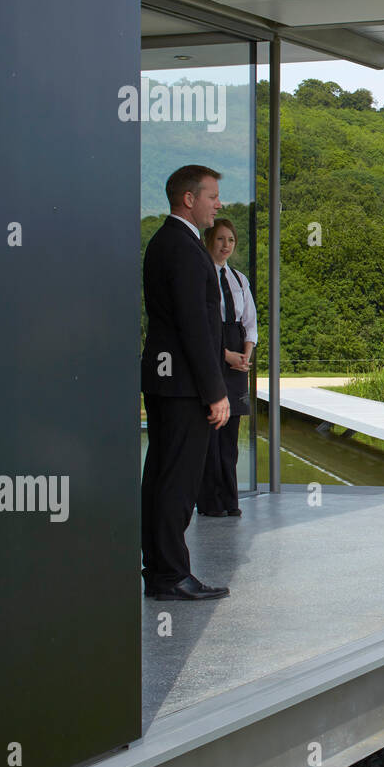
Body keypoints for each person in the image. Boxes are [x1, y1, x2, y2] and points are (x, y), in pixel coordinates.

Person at [140, 165, 231, 601]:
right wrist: (215, 392)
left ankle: (160, 570)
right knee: (176, 482)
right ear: (189, 199)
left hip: (168, 382)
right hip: (181, 386)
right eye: (212, 196)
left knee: (161, 477)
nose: (219, 204)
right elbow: (196, 327)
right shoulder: (181, 246)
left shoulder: (169, 242)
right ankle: (171, 575)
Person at [197, 217, 257, 517]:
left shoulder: (239, 279)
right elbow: (200, 327)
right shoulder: (202, 275)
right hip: (213, 350)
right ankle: (209, 501)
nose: (225, 245)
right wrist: (225, 355)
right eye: (220, 239)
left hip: (236, 356)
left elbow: (250, 323)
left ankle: (229, 500)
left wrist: (245, 354)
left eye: (230, 240)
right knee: (212, 433)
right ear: (209, 241)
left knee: (231, 434)